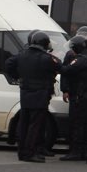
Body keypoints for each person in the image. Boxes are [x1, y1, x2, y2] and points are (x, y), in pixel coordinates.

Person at [5, 31, 62, 162]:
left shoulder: (22, 55)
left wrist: (17, 76)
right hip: (40, 95)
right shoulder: (46, 58)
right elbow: (60, 65)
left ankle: (22, 152)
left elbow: (8, 63)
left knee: (24, 124)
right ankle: (30, 153)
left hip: (25, 94)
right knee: (35, 126)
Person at [59, 29, 87, 163]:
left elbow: (66, 70)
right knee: (86, 124)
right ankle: (85, 151)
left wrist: (54, 62)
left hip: (80, 96)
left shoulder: (81, 59)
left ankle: (76, 151)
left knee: (77, 124)